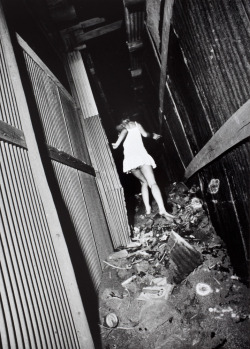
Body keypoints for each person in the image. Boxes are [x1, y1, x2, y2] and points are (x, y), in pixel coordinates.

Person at [112, 117, 175, 220]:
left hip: (131, 161)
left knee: (143, 183)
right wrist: (153, 135)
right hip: (142, 157)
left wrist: (116, 143)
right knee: (153, 183)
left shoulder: (121, 129)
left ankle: (148, 209)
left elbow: (118, 141)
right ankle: (162, 209)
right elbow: (145, 135)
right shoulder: (137, 124)